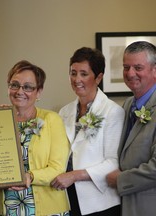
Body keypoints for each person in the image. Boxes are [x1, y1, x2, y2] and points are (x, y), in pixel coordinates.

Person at [51, 47, 124, 216]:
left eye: (84, 74)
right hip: (67, 197)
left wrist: (74, 176)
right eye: (73, 73)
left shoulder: (113, 112)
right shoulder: (64, 112)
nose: (77, 79)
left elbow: (114, 162)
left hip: (99, 202)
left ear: (98, 77)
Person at [0, 60, 70, 216]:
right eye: (14, 85)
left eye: (27, 87)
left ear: (39, 91)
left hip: (48, 209)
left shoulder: (52, 120)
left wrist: (30, 176)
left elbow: (58, 168)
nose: (20, 91)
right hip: (7, 208)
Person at [106, 41, 156, 216]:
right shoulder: (126, 104)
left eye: (138, 67)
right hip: (123, 205)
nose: (130, 73)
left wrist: (121, 180)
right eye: (126, 67)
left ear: (155, 70)